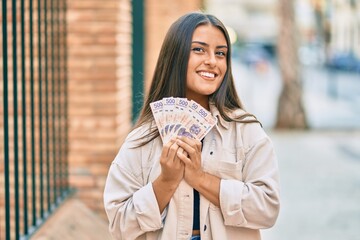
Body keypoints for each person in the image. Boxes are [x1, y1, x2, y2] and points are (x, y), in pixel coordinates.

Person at [103, 12, 280, 240]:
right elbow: (118, 223)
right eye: (199, 49)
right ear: (175, 56)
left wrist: (201, 179)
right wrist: (166, 181)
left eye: (220, 53)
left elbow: (268, 209)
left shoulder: (245, 131)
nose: (212, 61)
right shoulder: (143, 138)